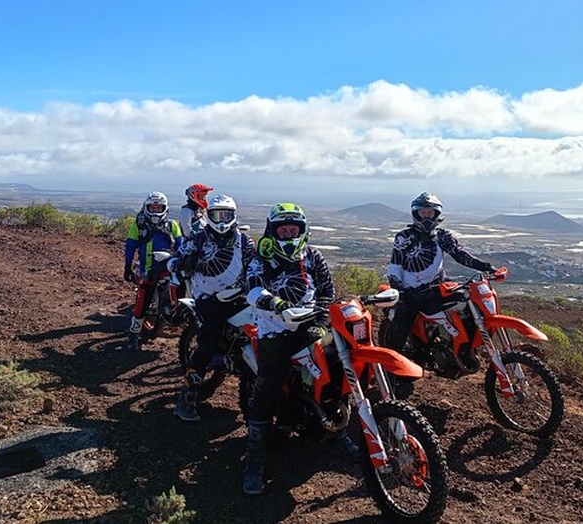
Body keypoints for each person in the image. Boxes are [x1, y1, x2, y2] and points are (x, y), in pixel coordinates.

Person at [241, 202, 358, 496]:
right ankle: (254, 459)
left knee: (336, 366)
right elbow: (253, 288)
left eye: (294, 229)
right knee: (266, 388)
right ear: (273, 230)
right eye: (284, 229)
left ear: (302, 231)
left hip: (308, 326)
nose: (289, 233)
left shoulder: (313, 256)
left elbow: (327, 289)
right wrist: (276, 303)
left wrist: (320, 317)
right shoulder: (262, 257)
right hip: (275, 330)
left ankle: (338, 430)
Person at [172, 194, 254, 422]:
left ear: (233, 215)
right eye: (216, 214)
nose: (221, 219)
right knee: (207, 344)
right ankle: (185, 400)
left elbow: (256, 265)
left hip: (242, 295)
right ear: (208, 215)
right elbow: (180, 254)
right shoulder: (199, 237)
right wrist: (182, 262)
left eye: (225, 215)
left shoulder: (244, 241)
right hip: (209, 297)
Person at [383, 191, 495, 353]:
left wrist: (485, 266)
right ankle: (390, 369)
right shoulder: (404, 237)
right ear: (416, 214)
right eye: (423, 212)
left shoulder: (443, 236)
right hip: (410, 292)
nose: (427, 216)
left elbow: (460, 254)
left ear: (437, 214)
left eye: (430, 213)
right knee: (402, 325)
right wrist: (400, 292)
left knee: (466, 300)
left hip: (436, 287)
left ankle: (459, 347)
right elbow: (395, 267)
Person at [123, 191, 183, 351]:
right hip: (147, 269)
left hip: (169, 268)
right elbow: (130, 246)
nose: (156, 211)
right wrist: (127, 266)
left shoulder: (172, 225)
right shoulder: (139, 224)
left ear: (165, 208)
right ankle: (133, 335)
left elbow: (181, 245)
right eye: (153, 207)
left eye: (159, 207)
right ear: (146, 208)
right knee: (143, 301)